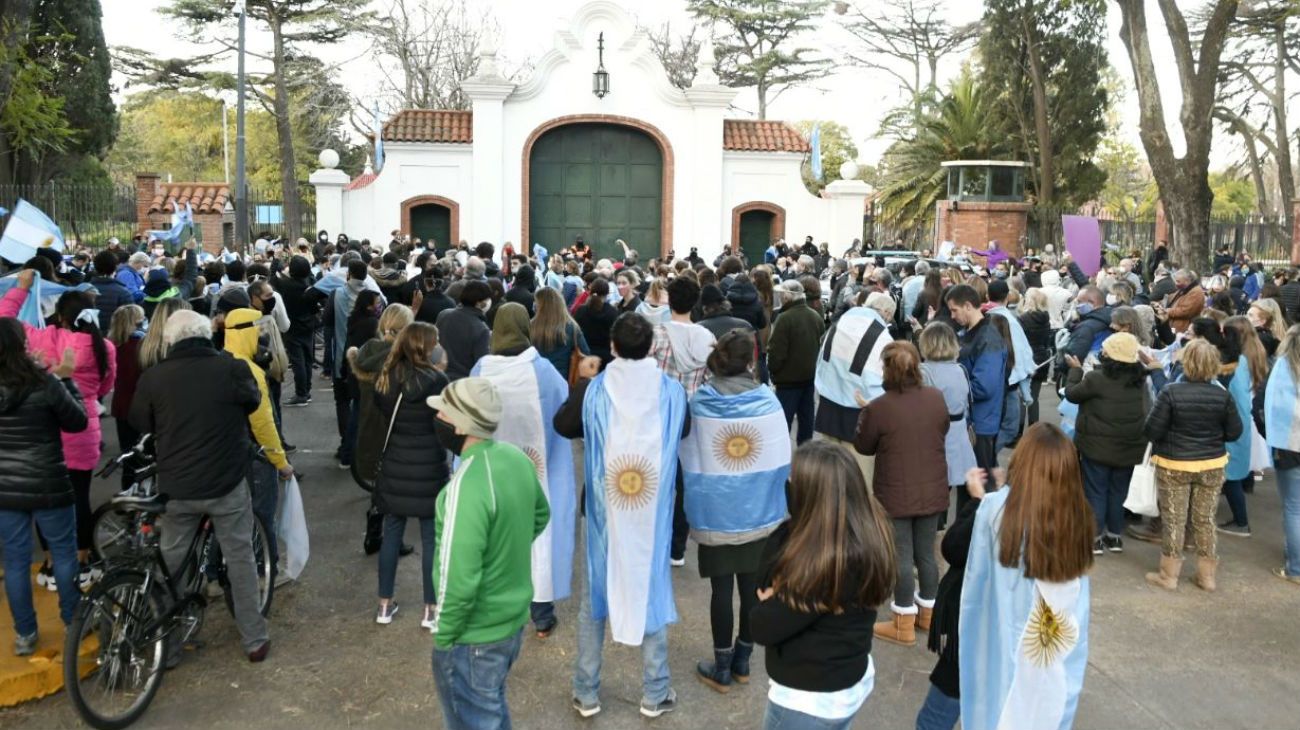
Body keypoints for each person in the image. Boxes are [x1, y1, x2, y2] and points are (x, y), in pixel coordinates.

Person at [553, 312, 687, 719]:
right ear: (650, 348)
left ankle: (586, 691)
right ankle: (655, 691)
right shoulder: (672, 391)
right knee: (649, 587)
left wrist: (582, 385)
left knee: (595, 596)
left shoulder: (594, 390)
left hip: (602, 509)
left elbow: (563, 425)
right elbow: (683, 431)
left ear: (612, 348)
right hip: (652, 508)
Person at [130, 310, 274, 661]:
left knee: (172, 563)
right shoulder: (231, 368)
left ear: (170, 341)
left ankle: (170, 645)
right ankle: (254, 639)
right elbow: (252, 401)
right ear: (207, 333)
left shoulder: (155, 377)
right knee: (239, 556)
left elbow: (138, 420)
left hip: (177, 485)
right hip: (226, 481)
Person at [427, 377, 550, 730]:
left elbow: (457, 576)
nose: (436, 417)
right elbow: (540, 515)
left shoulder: (463, 486)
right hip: (511, 623)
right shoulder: (514, 458)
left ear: (460, 425)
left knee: (479, 718)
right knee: (491, 708)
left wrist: (445, 635)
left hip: (472, 636)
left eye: (442, 413)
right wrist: (504, 551)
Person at [751, 440, 896, 730]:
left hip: (808, 700)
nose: (788, 484)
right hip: (850, 678)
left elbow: (761, 625)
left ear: (811, 498)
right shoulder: (866, 533)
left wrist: (776, 594)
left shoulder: (819, 564)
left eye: (794, 480)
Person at [958, 423, 1093, 730]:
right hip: (1057, 652)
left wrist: (983, 499)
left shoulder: (997, 511)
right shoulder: (1078, 516)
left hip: (1008, 652)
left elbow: (976, 585)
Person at [679, 331, 790, 693]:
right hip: (759, 512)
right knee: (751, 587)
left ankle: (722, 665)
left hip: (717, 512)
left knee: (721, 590)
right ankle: (743, 659)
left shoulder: (699, 403)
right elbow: (780, 457)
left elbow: (689, 455)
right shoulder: (768, 403)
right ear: (751, 362)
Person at [2, 271, 116, 585]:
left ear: (61, 316)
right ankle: (82, 557)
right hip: (84, 429)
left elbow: (4, 320)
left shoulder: (42, 338)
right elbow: (107, 384)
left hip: (47, 433)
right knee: (79, 496)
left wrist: (20, 289)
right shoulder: (103, 347)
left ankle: (51, 561)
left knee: (46, 499)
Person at [471, 304, 576, 639]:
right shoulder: (542, 371)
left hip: (492, 470)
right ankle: (541, 616)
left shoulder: (480, 369)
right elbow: (563, 414)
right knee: (537, 538)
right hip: (536, 469)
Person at [854, 341, 949, 647]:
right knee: (927, 555)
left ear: (889, 370)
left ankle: (903, 622)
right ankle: (929, 615)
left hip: (894, 494)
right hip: (932, 488)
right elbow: (943, 429)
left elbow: (863, 446)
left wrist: (865, 413)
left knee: (901, 557)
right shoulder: (935, 398)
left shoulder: (880, 407)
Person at [0, 318, 86, 656]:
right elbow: (77, 421)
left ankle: (25, 634)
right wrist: (68, 378)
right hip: (49, 481)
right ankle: (73, 620)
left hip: (5, 487)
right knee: (64, 554)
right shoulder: (45, 381)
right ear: (22, 344)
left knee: (16, 562)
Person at [1143, 338, 1243, 591]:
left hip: (1174, 463)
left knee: (1174, 519)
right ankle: (1207, 576)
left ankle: (1169, 575)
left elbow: (1152, 430)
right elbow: (1234, 432)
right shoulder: (1222, 395)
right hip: (1211, 464)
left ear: (1186, 362)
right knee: (1204, 519)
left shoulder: (1171, 392)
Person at [371, 322, 450, 629]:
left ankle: (384, 604)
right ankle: (430, 610)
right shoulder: (437, 379)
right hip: (429, 466)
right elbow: (446, 422)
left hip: (394, 464)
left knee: (391, 533)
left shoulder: (386, 378)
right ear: (426, 346)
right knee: (431, 538)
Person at [1062, 332, 1149, 554]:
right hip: (1129, 447)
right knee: (1118, 492)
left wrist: (1075, 370)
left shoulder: (1096, 379)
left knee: (1096, 491)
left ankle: (1095, 537)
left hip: (1096, 447)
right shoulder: (1140, 380)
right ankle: (1114, 536)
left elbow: (1071, 394)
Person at [223, 308, 293, 572]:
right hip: (257, 455)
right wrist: (281, 461)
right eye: (258, 330)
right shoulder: (250, 371)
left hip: (228, 454)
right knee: (264, 515)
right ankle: (269, 566)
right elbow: (264, 423)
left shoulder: (222, 361)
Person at [946, 284, 1007, 490]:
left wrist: (951, 388)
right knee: (970, 484)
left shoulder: (988, 338)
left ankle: (984, 521)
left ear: (968, 306)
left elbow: (984, 387)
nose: (952, 316)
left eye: (954, 310)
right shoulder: (969, 333)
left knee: (979, 488)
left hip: (981, 424)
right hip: (973, 420)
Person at [1218, 317, 1268, 538]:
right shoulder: (1251, 356)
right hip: (1242, 424)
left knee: (1231, 477)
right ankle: (1239, 520)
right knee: (1233, 475)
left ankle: (1241, 522)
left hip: (1235, 426)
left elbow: (1236, 399)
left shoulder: (1238, 364)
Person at [1261, 325, 1300, 584]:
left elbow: (1269, 407)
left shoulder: (1284, 368)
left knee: (1293, 507)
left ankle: (1296, 566)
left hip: (1290, 445)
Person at [768, 280, 824, 445]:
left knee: (783, 423)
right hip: (809, 378)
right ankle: (806, 458)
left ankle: (782, 456)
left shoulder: (784, 318)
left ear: (787, 296)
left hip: (787, 381)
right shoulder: (815, 316)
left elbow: (777, 353)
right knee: (806, 423)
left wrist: (773, 371)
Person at [107, 304, 147, 490]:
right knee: (143, 455)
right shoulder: (141, 346)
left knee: (127, 455)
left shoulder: (110, 346)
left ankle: (126, 494)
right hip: (141, 406)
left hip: (120, 405)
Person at [274, 255, 321, 407]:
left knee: (297, 361)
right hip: (308, 324)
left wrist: (276, 259)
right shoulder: (310, 284)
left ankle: (301, 393)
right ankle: (306, 390)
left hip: (292, 326)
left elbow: (272, 278)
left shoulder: (285, 285)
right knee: (307, 358)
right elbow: (315, 307)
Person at [436, 279, 492, 381]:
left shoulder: (444, 315)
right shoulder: (481, 329)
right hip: (463, 382)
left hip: (438, 377)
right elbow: (481, 363)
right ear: (480, 303)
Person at [530, 286, 591, 380]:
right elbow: (585, 352)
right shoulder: (571, 327)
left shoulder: (531, 326)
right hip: (563, 380)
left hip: (536, 379)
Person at [574, 278, 619, 366]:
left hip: (584, 355)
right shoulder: (612, 312)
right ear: (607, 293)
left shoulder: (581, 310)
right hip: (606, 357)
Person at [1164, 269, 1205, 333]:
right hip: (1175, 326)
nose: (1176, 284)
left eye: (1178, 281)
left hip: (1184, 328)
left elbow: (1186, 311)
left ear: (1187, 281)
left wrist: (1168, 311)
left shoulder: (1196, 292)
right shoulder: (1184, 289)